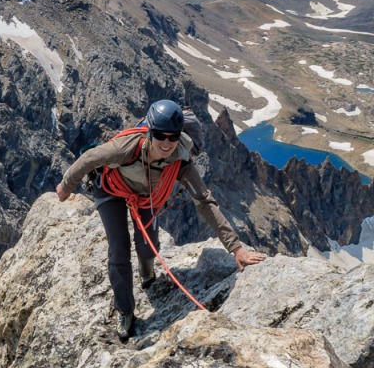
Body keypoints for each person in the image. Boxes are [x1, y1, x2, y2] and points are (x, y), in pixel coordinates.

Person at [55, 99, 266, 340]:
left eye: (172, 137)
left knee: (148, 246)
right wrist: (66, 185)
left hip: (148, 197)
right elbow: (89, 159)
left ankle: (147, 274)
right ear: (150, 132)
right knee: (118, 249)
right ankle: (125, 310)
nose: (166, 143)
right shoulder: (126, 147)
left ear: (179, 135)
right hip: (111, 191)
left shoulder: (181, 161)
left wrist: (236, 248)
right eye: (160, 136)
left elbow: (204, 202)